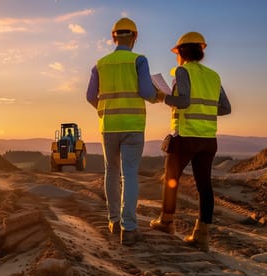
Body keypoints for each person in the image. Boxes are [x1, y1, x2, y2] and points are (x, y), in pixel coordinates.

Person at [149, 31, 232, 252]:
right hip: (208, 140)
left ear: (182, 53)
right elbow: (226, 108)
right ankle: (202, 236)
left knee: (170, 179)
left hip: (186, 136)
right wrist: (203, 107)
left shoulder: (182, 71)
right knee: (205, 186)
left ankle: (166, 222)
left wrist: (162, 97)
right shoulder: (213, 76)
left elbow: (183, 102)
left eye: (177, 52)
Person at [86, 17, 163, 246]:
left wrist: (105, 110)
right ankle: (129, 229)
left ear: (113, 37)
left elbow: (91, 97)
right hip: (133, 126)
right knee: (129, 174)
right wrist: (159, 96)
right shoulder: (139, 60)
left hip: (109, 127)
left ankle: (113, 222)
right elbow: (147, 92)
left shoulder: (99, 64)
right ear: (135, 37)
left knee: (111, 171)